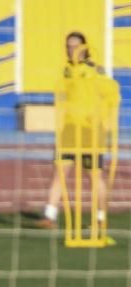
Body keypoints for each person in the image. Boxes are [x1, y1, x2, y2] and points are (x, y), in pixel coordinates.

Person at [37, 31, 118, 230]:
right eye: (68, 46)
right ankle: (50, 216)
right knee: (60, 172)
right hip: (69, 129)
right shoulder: (66, 70)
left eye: (75, 46)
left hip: (91, 129)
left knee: (94, 175)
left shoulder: (95, 71)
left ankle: (100, 219)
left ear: (84, 48)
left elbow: (112, 96)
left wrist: (103, 121)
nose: (71, 49)